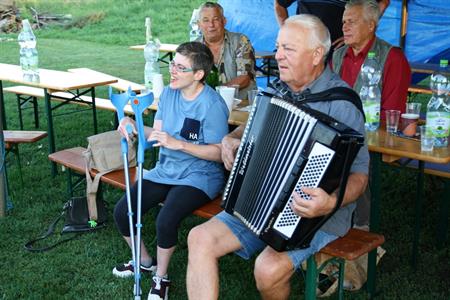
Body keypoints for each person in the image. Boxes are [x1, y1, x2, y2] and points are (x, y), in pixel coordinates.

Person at [186, 14, 369, 299]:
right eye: (278, 47)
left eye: (289, 49)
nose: (277, 56)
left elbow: (359, 176)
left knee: (268, 269)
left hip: (317, 214)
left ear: (317, 54)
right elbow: (253, 124)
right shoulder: (277, 90)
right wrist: (229, 140)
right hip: (259, 199)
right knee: (199, 237)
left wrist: (330, 202)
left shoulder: (343, 106)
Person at [112, 42, 229, 300]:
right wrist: (133, 125)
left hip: (200, 176)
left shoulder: (213, 105)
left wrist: (180, 144)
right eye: (172, 64)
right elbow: (157, 134)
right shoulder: (168, 94)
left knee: (166, 219)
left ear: (198, 75)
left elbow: (220, 153)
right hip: (167, 169)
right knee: (123, 210)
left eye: (180, 67)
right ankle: (143, 261)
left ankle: (160, 278)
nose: (172, 71)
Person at [332, 0, 411, 120]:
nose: (344, 27)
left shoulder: (394, 58)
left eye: (351, 22)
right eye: (344, 22)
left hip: (373, 134)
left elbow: (392, 113)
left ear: (370, 25)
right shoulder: (337, 55)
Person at [197, 2, 257, 99]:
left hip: (240, 105)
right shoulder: (194, 48)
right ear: (199, 24)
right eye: (206, 20)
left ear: (224, 21)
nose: (211, 24)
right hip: (206, 105)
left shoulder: (240, 41)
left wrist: (218, 93)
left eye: (215, 19)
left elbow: (245, 77)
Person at [274, 0, 390, 49]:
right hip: (306, 47)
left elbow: (383, 2)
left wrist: (359, 34)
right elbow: (279, 4)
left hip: (341, 50)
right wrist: (288, 34)